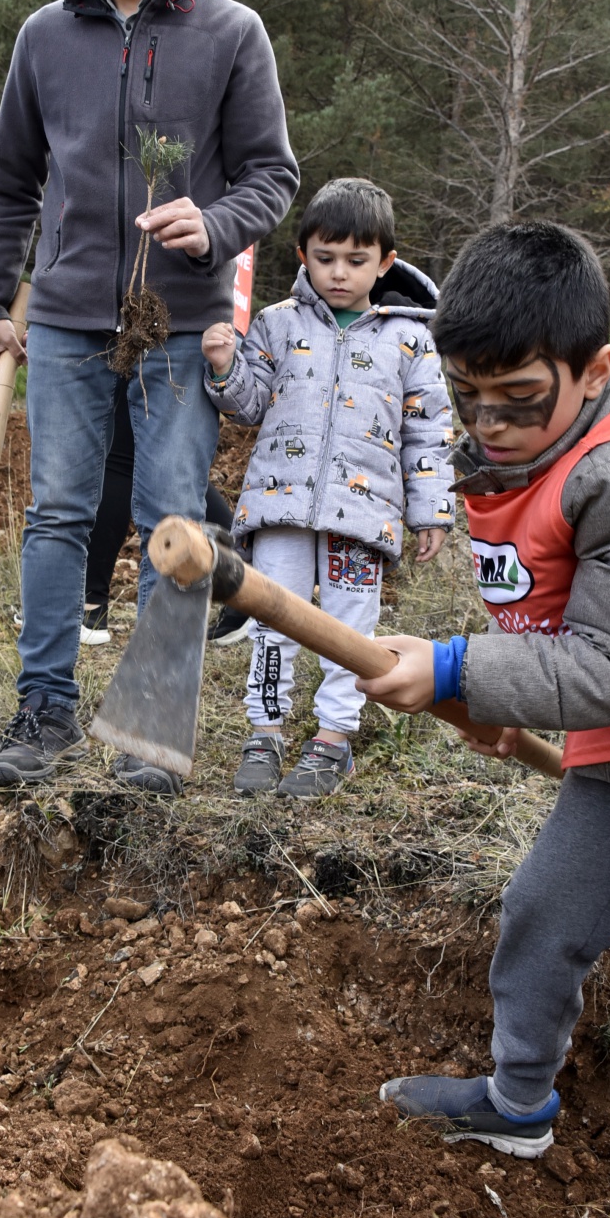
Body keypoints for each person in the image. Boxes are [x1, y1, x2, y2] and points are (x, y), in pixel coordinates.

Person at [358, 221, 610, 1218]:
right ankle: (515, 1105)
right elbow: (548, 602)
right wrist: (496, 689)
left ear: (595, 368)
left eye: (519, 400)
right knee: (543, 919)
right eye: (467, 398)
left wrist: (454, 670)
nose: (488, 425)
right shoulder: (519, 433)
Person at [0, 0, 299, 792]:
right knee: (58, 517)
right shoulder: (44, 38)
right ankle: (44, 713)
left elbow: (270, 176)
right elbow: (7, 183)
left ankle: (152, 728)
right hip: (69, 320)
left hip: (180, 322)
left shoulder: (231, 33)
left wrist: (215, 222)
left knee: (173, 523)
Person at [202, 178, 455, 799]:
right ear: (303, 255)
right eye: (325, 258)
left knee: (349, 629)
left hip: (361, 517)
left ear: (385, 262)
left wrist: (433, 512)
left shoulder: (410, 338)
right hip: (280, 508)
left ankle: (332, 741)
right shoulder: (275, 323)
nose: (339, 273)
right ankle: (264, 733)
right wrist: (224, 367)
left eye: (356, 260)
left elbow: (428, 431)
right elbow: (250, 404)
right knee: (272, 619)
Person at [14, 374, 248, 646]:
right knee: (157, 459)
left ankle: (91, 602)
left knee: (131, 453)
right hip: (134, 335)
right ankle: (247, 564)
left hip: (170, 336)